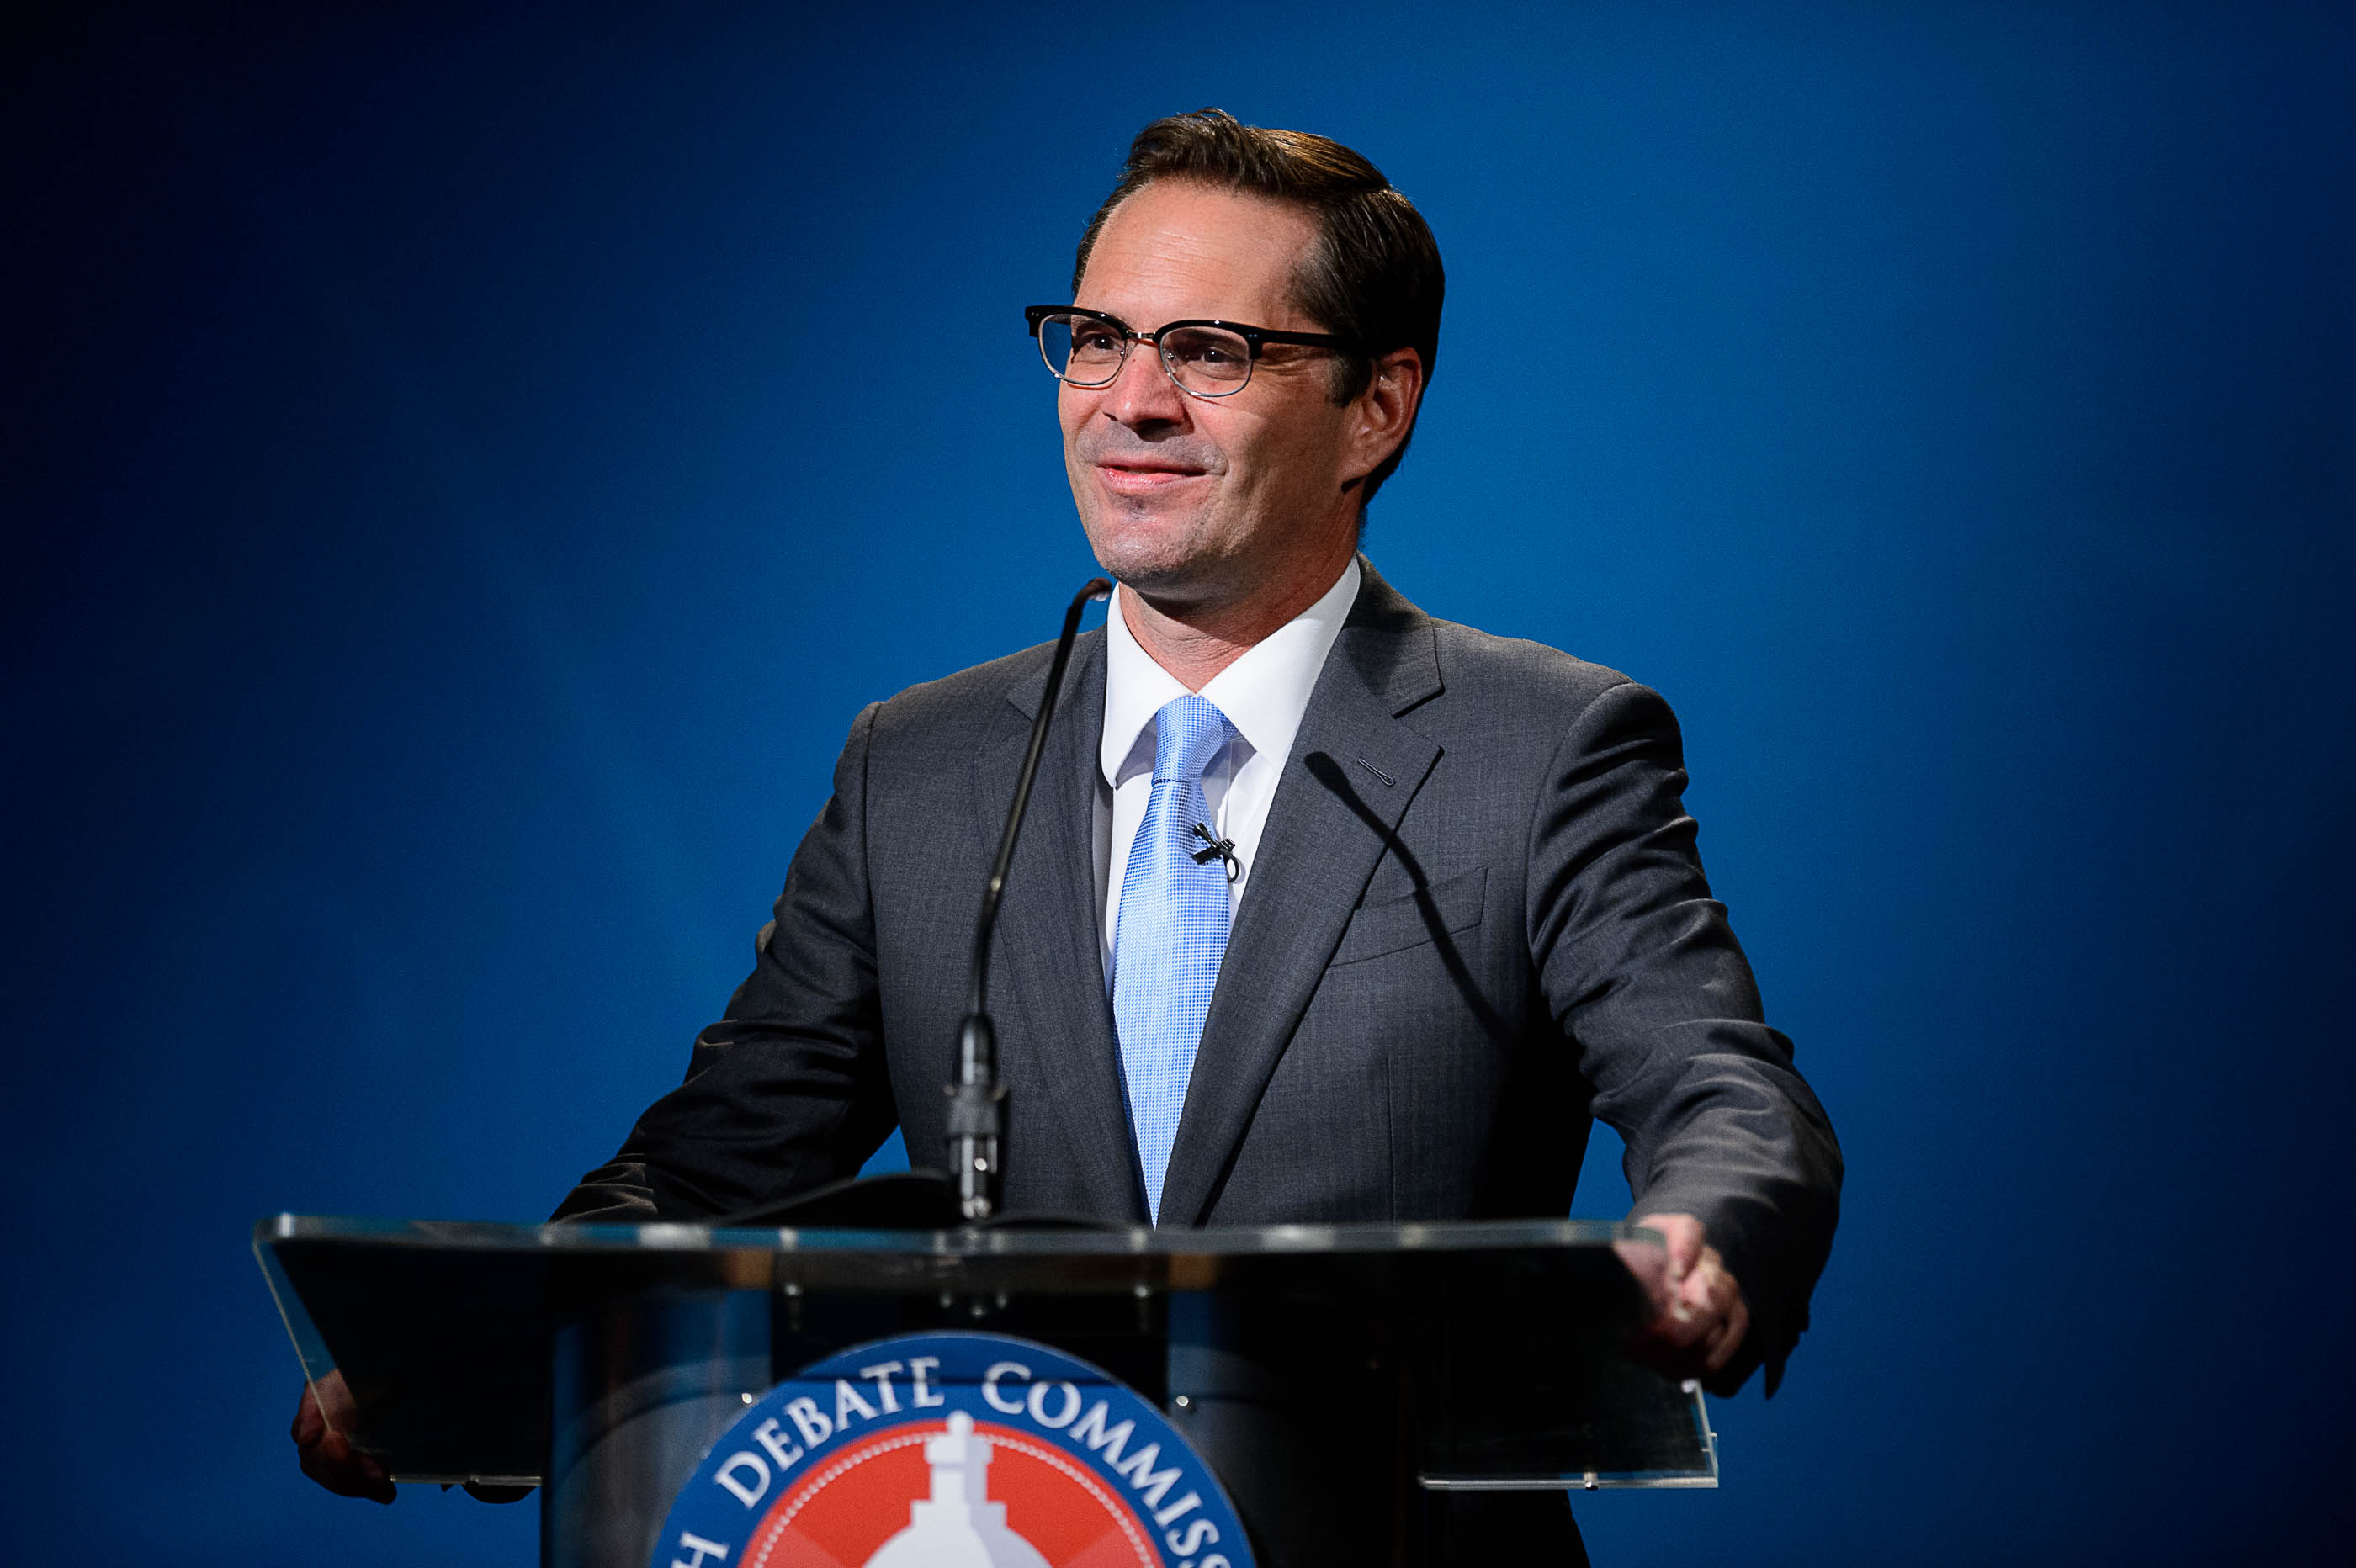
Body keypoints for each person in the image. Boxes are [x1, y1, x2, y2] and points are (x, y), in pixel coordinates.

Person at [295, 109, 1841, 1556]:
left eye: (1210, 351)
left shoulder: (1540, 745)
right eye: (1094, 340)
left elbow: (1722, 1090)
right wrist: (477, 1352)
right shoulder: (922, 765)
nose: (1131, 401)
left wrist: (1698, 1242)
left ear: (1376, 406)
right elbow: (718, 1161)